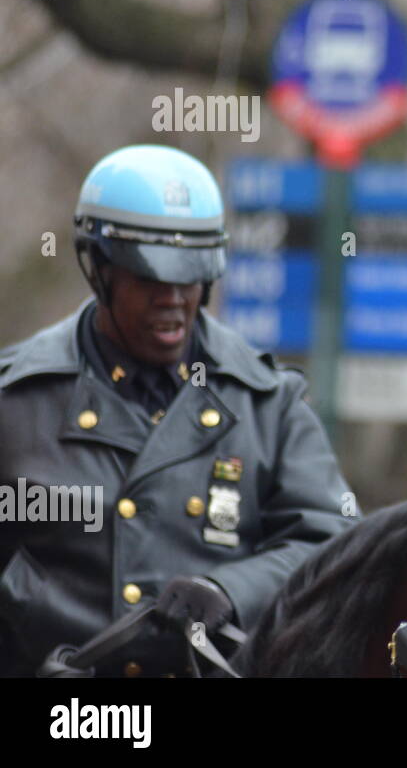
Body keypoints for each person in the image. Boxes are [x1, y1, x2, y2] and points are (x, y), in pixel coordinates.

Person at [0, 144, 358, 677]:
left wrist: (228, 590)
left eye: (188, 279)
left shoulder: (268, 403)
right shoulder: (17, 399)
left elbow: (333, 543)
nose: (172, 299)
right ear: (100, 271)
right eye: (149, 279)